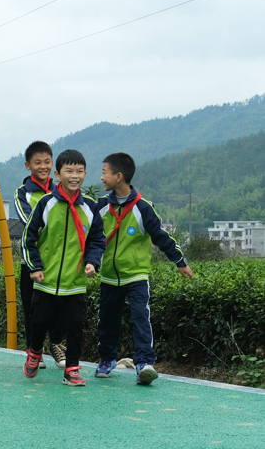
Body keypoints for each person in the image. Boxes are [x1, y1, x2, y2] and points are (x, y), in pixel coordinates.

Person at [95, 152, 193, 385]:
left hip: (136, 276)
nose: (101, 178)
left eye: (104, 172)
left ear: (119, 176)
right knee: (107, 320)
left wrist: (179, 261)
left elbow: (161, 236)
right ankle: (107, 359)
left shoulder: (143, 207)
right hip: (108, 276)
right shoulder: (100, 207)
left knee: (140, 317)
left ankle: (144, 363)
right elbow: (88, 237)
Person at [23, 149, 106, 386]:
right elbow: (28, 238)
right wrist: (35, 267)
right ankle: (35, 351)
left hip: (75, 282)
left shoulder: (90, 207)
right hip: (45, 281)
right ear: (58, 174)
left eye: (79, 171)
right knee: (38, 322)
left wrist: (92, 262)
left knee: (74, 327)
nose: (74, 176)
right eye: (69, 171)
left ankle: (71, 369)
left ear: (85, 174)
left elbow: (98, 240)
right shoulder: (46, 204)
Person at [13, 141, 66, 369]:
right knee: (32, 308)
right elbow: (30, 223)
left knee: (59, 306)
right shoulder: (22, 193)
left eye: (47, 162)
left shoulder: (62, 190)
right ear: (28, 165)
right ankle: (34, 351)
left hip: (58, 261)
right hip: (32, 261)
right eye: (37, 162)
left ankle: (56, 344)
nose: (43, 167)